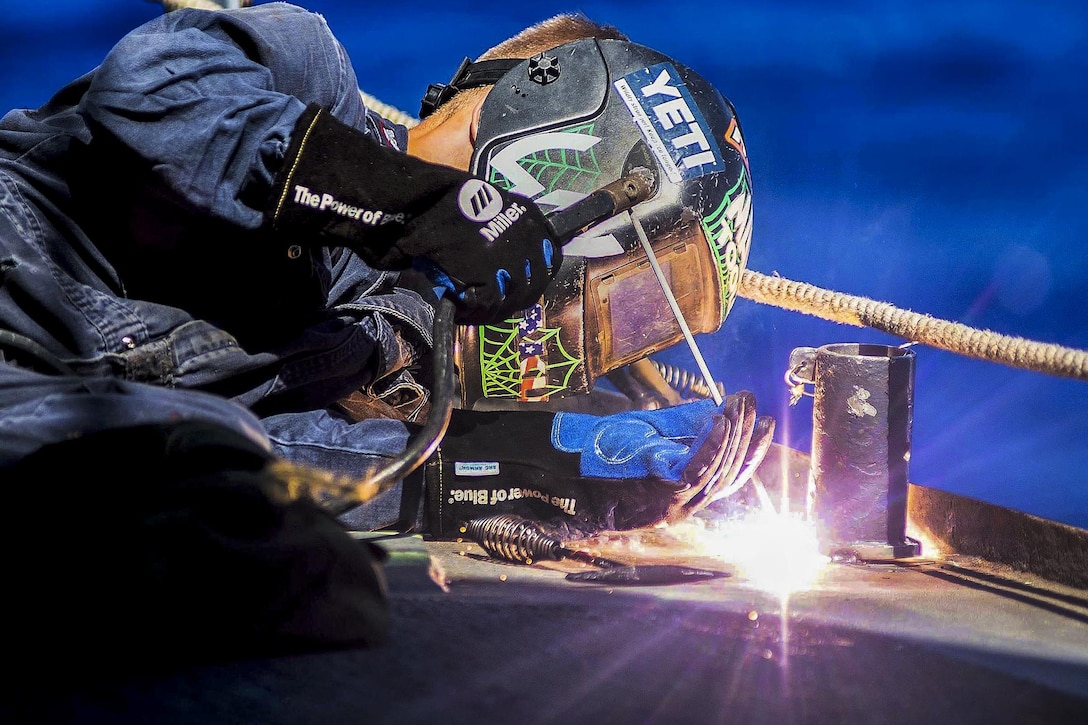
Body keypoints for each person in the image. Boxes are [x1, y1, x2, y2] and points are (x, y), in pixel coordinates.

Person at [0, 1, 771, 666]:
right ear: (535, 138)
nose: (584, 340)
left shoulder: (387, 338)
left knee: (274, 535)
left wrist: (540, 469)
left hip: (42, 411)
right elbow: (153, 93)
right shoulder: (305, 70)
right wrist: (416, 207)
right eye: (620, 296)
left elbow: (274, 448)